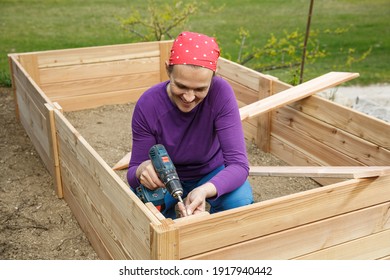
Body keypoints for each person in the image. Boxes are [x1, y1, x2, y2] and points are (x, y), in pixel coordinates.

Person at [127, 31, 253, 219]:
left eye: (201, 89)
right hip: (166, 177)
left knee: (239, 202)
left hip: (211, 171)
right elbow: (132, 174)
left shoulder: (221, 94)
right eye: (181, 86)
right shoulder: (149, 104)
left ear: (213, 76)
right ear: (168, 69)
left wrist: (204, 190)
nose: (189, 97)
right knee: (146, 210)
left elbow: (239, 165)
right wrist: (141, 170)